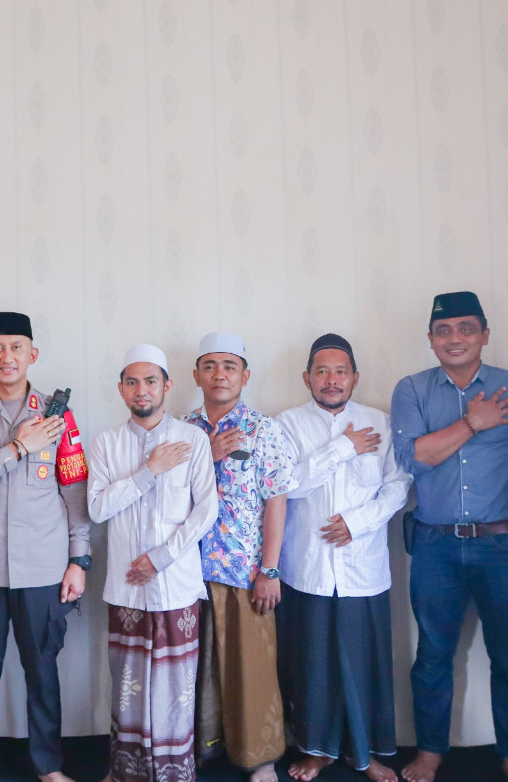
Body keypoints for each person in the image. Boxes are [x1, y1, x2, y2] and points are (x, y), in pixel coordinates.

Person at [390, 291, 508, 782]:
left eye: (465, 328)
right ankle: (430, 752)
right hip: (434, 545)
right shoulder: (412, 389)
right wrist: (472, 422)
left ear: (484, 334)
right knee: (432, 657)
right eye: (443, 330)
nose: (454, 338)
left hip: (504, 545)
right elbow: (415, 457)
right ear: (430, 339)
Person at [0, 311, 91, 782]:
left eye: (16, 348)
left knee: (42, 676)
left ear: (32, 355)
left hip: (43, 570)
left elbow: (75, 491)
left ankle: (48, 767)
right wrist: (17, 449)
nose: (7, 357)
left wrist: (79, 560)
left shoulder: (57, 416)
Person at [274, 334, 410, 782]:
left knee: (364, 664)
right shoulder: (286, 425)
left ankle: (365, 754)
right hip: (306, 568)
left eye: (340, 372)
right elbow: (287, 485)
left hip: (363, 568)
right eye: (322, 371)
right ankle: (317, 751)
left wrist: (359, 521)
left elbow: (399, 486)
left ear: (355, 377)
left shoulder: (381, 422)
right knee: (313, 664)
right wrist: (343, 448)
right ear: (307, 378)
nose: (331, 380)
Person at [88, 344, 219, 782]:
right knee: (127, 687)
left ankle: (173, 774)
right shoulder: (106, 443)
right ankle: (126, 771)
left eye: (150, 381)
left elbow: (206, 511)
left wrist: (159, 559)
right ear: (121, 389)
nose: (141, 390)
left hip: (176, 585)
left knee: (175, 690)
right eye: (132, 382)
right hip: (127, 589)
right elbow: (97, 509)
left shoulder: (192, 439)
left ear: (167, 386)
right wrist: (148, 471)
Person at [181, 332, 296, 782]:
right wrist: (204, 455)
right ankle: (196, 749)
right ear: (196, 376)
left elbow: (277, 502)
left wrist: (270, 569)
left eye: (229, 366)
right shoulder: (181, 430)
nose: (219, 374)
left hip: (243, 571)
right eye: (209, 366)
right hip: (187, 571)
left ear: (245, 376)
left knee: (251, 668)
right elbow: (166, 496)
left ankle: (260, 757)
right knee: (194, 667)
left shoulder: (264, 429)